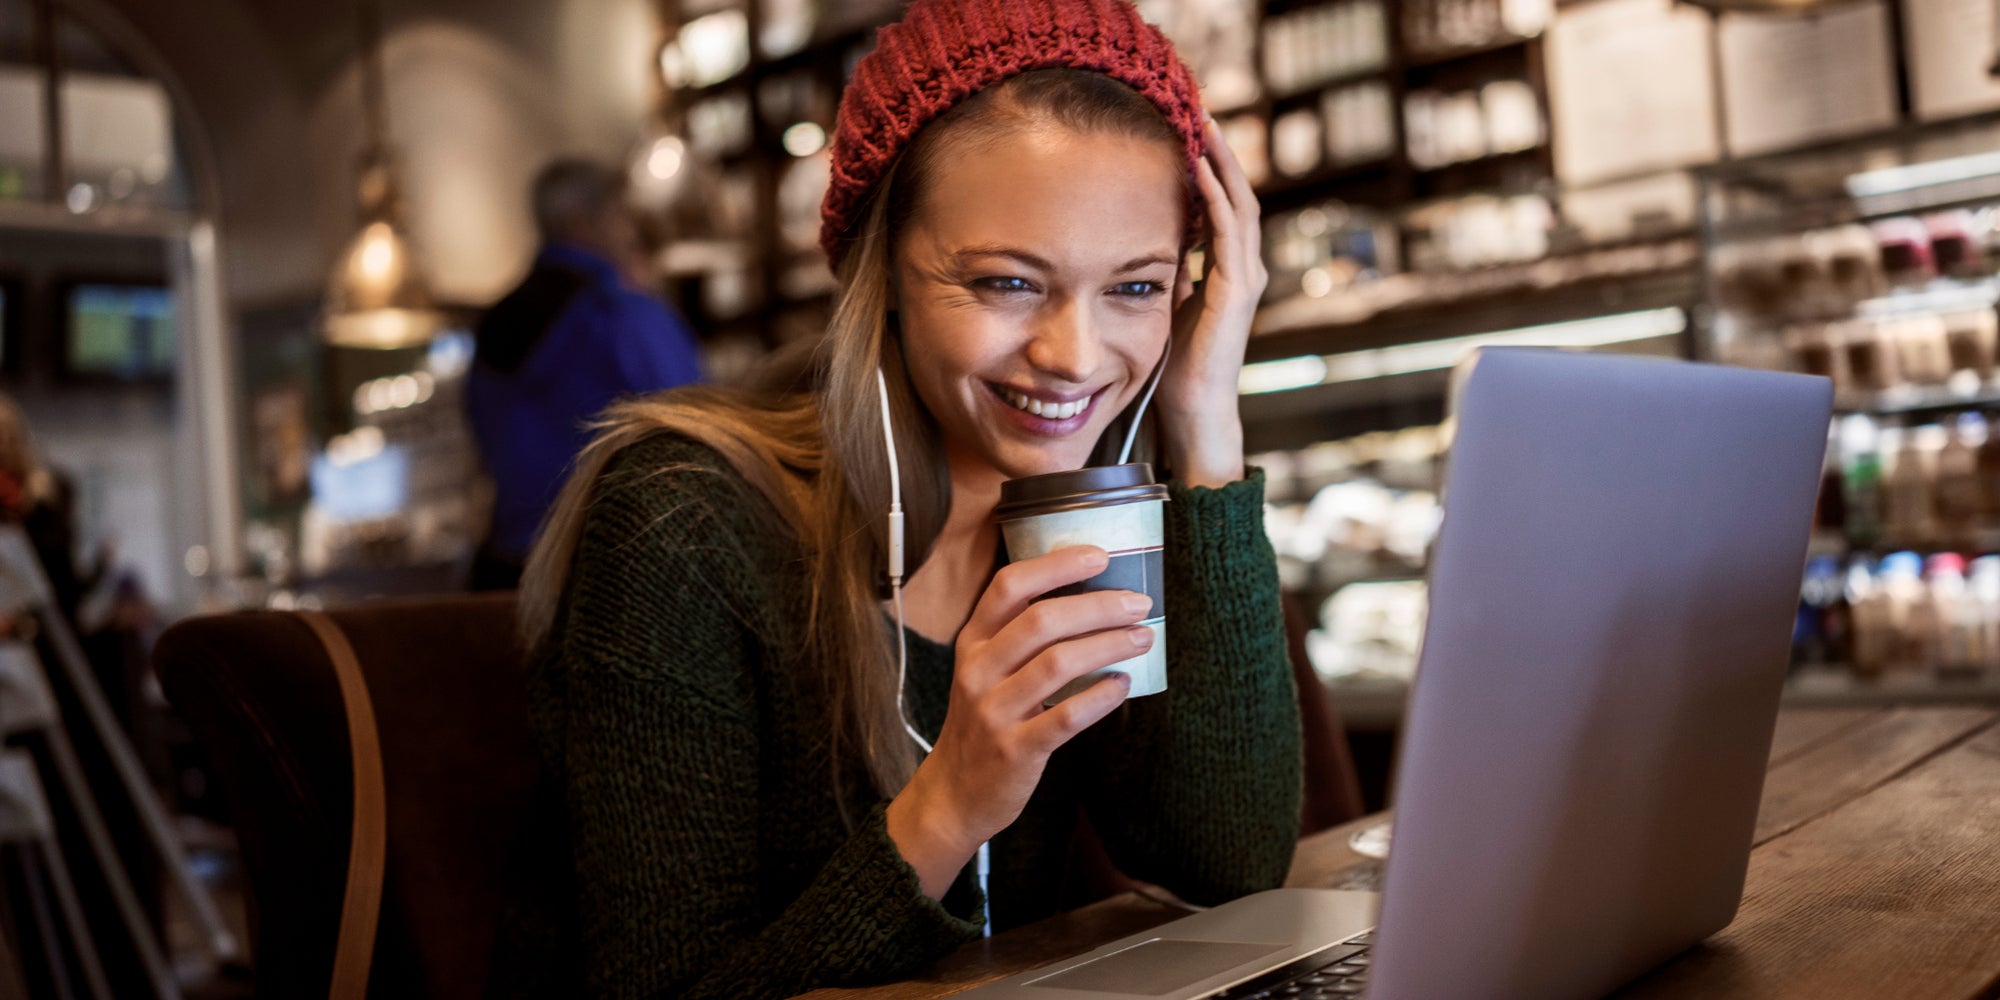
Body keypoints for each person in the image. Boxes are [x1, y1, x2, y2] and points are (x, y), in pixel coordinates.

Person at [499, 1, 1300, 996]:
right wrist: (949, 804)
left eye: (1134, 288)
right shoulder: (683, 519)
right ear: (879, 272)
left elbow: (1230, 866)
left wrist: (1206, 422)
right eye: (1007, 283)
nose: (1075, 356)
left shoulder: (1085, 520)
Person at [464, 159, 703, 591]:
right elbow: (702, 433)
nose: (630, 232)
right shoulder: (619, 314)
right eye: (620, 215)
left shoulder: (493, 323)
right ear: (581, 223)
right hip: (610, 572)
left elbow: (480, 450)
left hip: (511, 572)